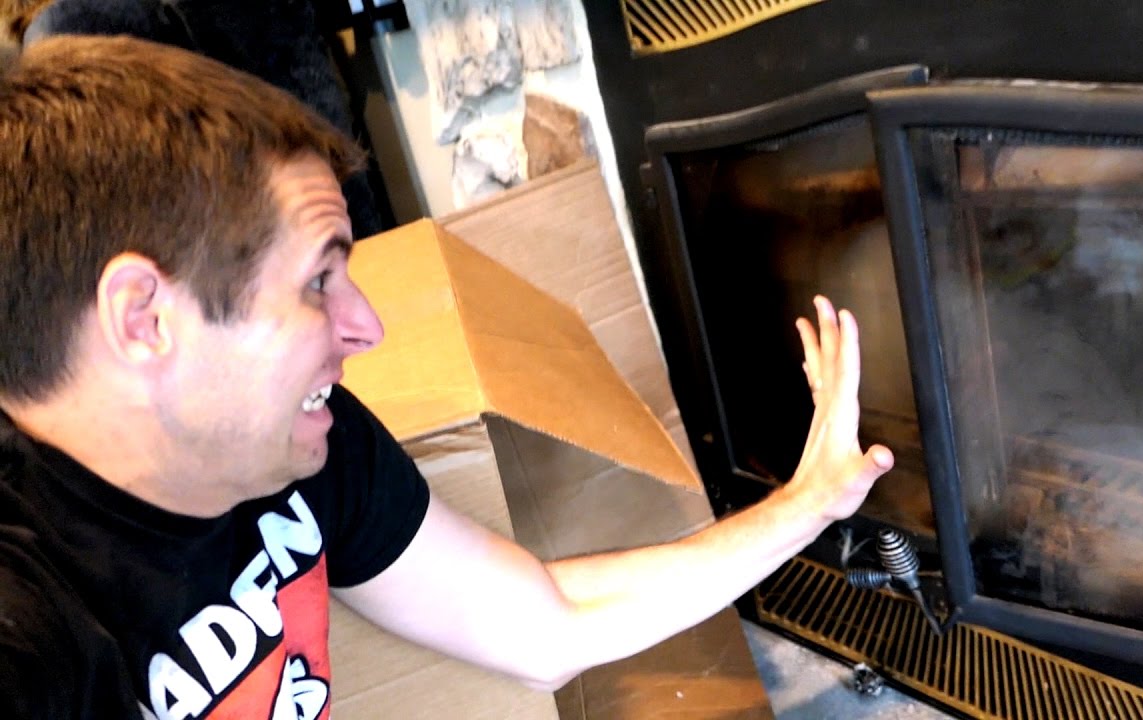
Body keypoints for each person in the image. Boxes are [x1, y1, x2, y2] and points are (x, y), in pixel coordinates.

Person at [0, 35, 894, 719]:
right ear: (144, 318)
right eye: (317, 281)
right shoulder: (28, 626)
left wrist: (808, 503)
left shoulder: (293, 443)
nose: (367, 326)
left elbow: (547, 624)